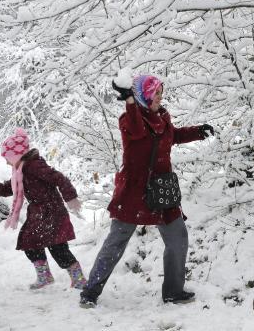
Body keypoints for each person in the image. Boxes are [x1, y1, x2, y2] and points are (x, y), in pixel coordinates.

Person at [79, 74, 215, 308]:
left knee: (178, 238)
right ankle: (90, 291)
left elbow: (173, 136)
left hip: (161, 190)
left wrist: (198, 131)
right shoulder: (129, 120)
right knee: (116, 242)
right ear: (143, 96)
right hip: (133, 192)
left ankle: (173, 291)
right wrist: (130, 101)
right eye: (155, 94)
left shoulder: (162, 117)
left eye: (161, 94)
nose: (160, 99)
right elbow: (138, 130)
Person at [0, 128, 87, 289]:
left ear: (16, 155)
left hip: (52, 212)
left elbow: (58, 178)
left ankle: (78, 279)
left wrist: (70, 197)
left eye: (7, 158)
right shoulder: (21, 169)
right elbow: (13, 186)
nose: (6, 162)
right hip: (39, 213)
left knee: (58, 248)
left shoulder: (34, 165)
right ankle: (44, 276)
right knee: (29, 243)